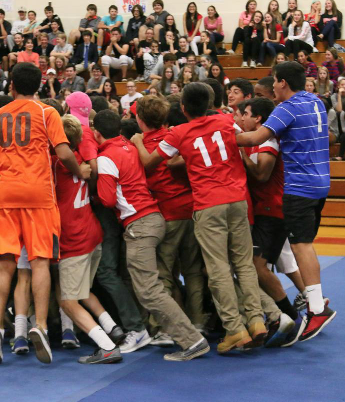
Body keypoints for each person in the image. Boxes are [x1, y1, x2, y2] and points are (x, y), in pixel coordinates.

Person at [131, 82, 267, 353]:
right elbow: (249, 138)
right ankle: (256, 320)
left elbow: (150, 163)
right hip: (237, 200)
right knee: (243, 263)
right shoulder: (226, 121)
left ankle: (235, 329)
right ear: (209, 103)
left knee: (218, 269)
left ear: (182, 108)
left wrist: (136, 141)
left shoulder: (179, 132)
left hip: (208, 204)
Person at [0, 62, 91, 365]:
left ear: (12, 86)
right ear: (40, 86)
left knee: (5, 263)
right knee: (40, 261)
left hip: (6, 193)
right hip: (39, 194)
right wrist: (79, 173)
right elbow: (64, 152)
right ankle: (41, 326)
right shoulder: (47, 113)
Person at [95, 108, 210, 360]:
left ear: (96, 132)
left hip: (139, 223)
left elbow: (105, 199)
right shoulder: (129, 146)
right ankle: (149, 332)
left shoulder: (106, 157)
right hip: (154, 216)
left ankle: (192, 340)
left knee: (149, 289)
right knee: (158, 282)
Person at [236, 61, 336, 342]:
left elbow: (256, 136)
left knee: (300, 245)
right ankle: (316, 304)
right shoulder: (315, 100)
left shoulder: (287, 108)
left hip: (300, 188)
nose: (273, 86)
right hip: (321, 185)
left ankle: (316, 309)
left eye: (275, 82)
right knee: (305, 245)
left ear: (281, 83)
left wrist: (224, 135)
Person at [134, 95, 208, 338]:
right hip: (191, 209)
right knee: (193, 270)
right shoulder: (177, 135)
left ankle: (166, 328)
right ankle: (198, 322)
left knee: (163, 273)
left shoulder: (140, 145)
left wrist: (137, 142)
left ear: (139, 119)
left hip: (167, 213)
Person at [53, 114, 124, 364]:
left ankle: (106, 346)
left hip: (74, 238)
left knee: (68, 300)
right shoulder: (83, 161)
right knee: (83, 291)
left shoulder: (56, 165)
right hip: (92, 233)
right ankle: (113, 328)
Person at [240, 98, 300, 347]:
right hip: (263, 211)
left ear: (258, 119)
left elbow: (262, 174)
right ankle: (280, 315)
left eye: (245, 113)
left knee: (257, 266)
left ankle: (292, 316)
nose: (240, 117)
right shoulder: (255, 140)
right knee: (255, 266)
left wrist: (240, 150)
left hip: (273, 212)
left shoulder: (268, 140)